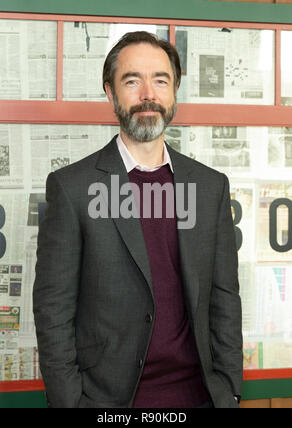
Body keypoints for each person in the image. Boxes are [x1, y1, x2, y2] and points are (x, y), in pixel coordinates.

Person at [33, 31, 243, 409]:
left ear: (174, 91)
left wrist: (229, 390)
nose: (148, 93)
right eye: (132, 80)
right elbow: (53, 309)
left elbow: (225, 298)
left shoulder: (211, 187)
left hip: (199, 396)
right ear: (111, 94)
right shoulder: (72, 188)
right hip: (110, 402)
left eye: (160, 80)